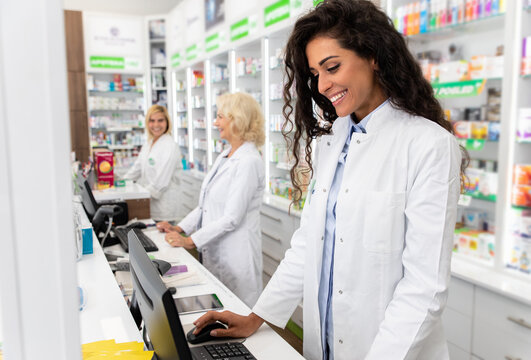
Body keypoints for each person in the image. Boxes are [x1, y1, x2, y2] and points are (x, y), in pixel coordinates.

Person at [191, 1, 467, 359]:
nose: (322, 84)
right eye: (314, 73)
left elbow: (425, 288)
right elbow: (309, 242)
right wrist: (255, 317)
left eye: (332, 67)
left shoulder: (428, 144)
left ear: (374, 57)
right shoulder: (330, 140)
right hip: (325, 342)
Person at [157, 92, 265, 307]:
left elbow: (232, 218)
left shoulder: (249, 162)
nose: (215, 122)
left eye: (220, 117)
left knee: (239, 311)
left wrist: (190, 241)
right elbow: (204, 206)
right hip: (217, 250)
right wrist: (179, 228)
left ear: (237, 119)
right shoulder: (226, 155)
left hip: (236, 254)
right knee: (220, 306)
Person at [124, 105, 181, 222]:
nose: (156, 125)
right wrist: (121, 183)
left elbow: (161, 181)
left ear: (167, 122)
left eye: (160, 120)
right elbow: (137, 168)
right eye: (152, 121)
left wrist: (141, 197)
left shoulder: (170, 146)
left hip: (164, 208)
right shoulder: (149, 143)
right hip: (150, 204)